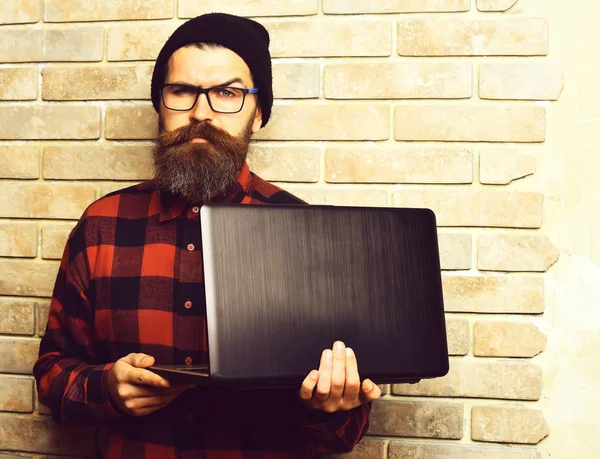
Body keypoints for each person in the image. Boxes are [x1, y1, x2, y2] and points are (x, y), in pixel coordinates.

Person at [33, 13, 381, 458]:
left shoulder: (311, 235)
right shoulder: (102, 225)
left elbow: (342, 436)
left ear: (258, 113)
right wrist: (106, 389)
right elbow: (51, 372)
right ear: (160, 105)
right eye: (182, 91)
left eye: (227, 93)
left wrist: (329, 406)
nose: (201, 112)